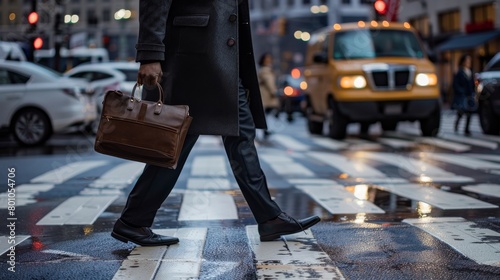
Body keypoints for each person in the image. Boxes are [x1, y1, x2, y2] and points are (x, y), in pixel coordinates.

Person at [110, 0, 320, 247]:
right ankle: (133, 221)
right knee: (175, 140)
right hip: (191, 57)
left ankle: (270, 217)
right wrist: (150, 54)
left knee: (240, 133)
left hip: (221, 58)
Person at [452, 54, 476, 136]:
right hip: (462, 95)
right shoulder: (459, 72)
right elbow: (455, 85)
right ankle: (457, 123)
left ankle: (467, 129)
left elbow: (473, 84)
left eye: (469, 61)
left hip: (470, 95)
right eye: (467, 61)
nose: (468, 62)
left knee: (470, 112)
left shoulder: (470, 72)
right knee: (461, 111)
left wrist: (474, 92)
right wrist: (461, 91)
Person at [257, 53, 279, 138]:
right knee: (268, 113)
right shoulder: (266, 70)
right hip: (267, 95)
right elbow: (269, 82)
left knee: (266, 113)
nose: (269, 60)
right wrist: (274, 92)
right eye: (267, 59)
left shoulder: (263, 69)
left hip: (265, 95)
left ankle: (265, 130)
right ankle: (266, 129)